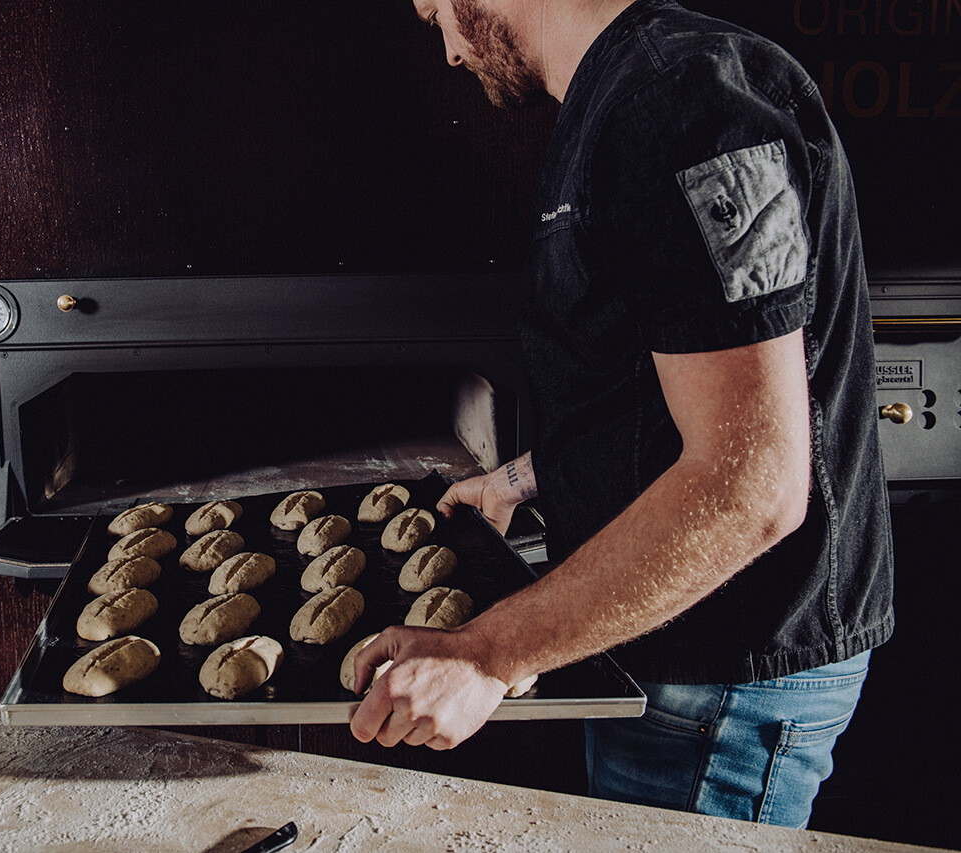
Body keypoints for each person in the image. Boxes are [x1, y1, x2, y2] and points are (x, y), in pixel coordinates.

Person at [349, 0, 894, 829]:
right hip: (680, 660)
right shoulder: (629, 94)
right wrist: (530, 477)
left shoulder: (675, 105)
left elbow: (751, 485)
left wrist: (489, 653)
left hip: (722, 681)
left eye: (435, 16)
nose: (451, 53)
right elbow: (672, 389)